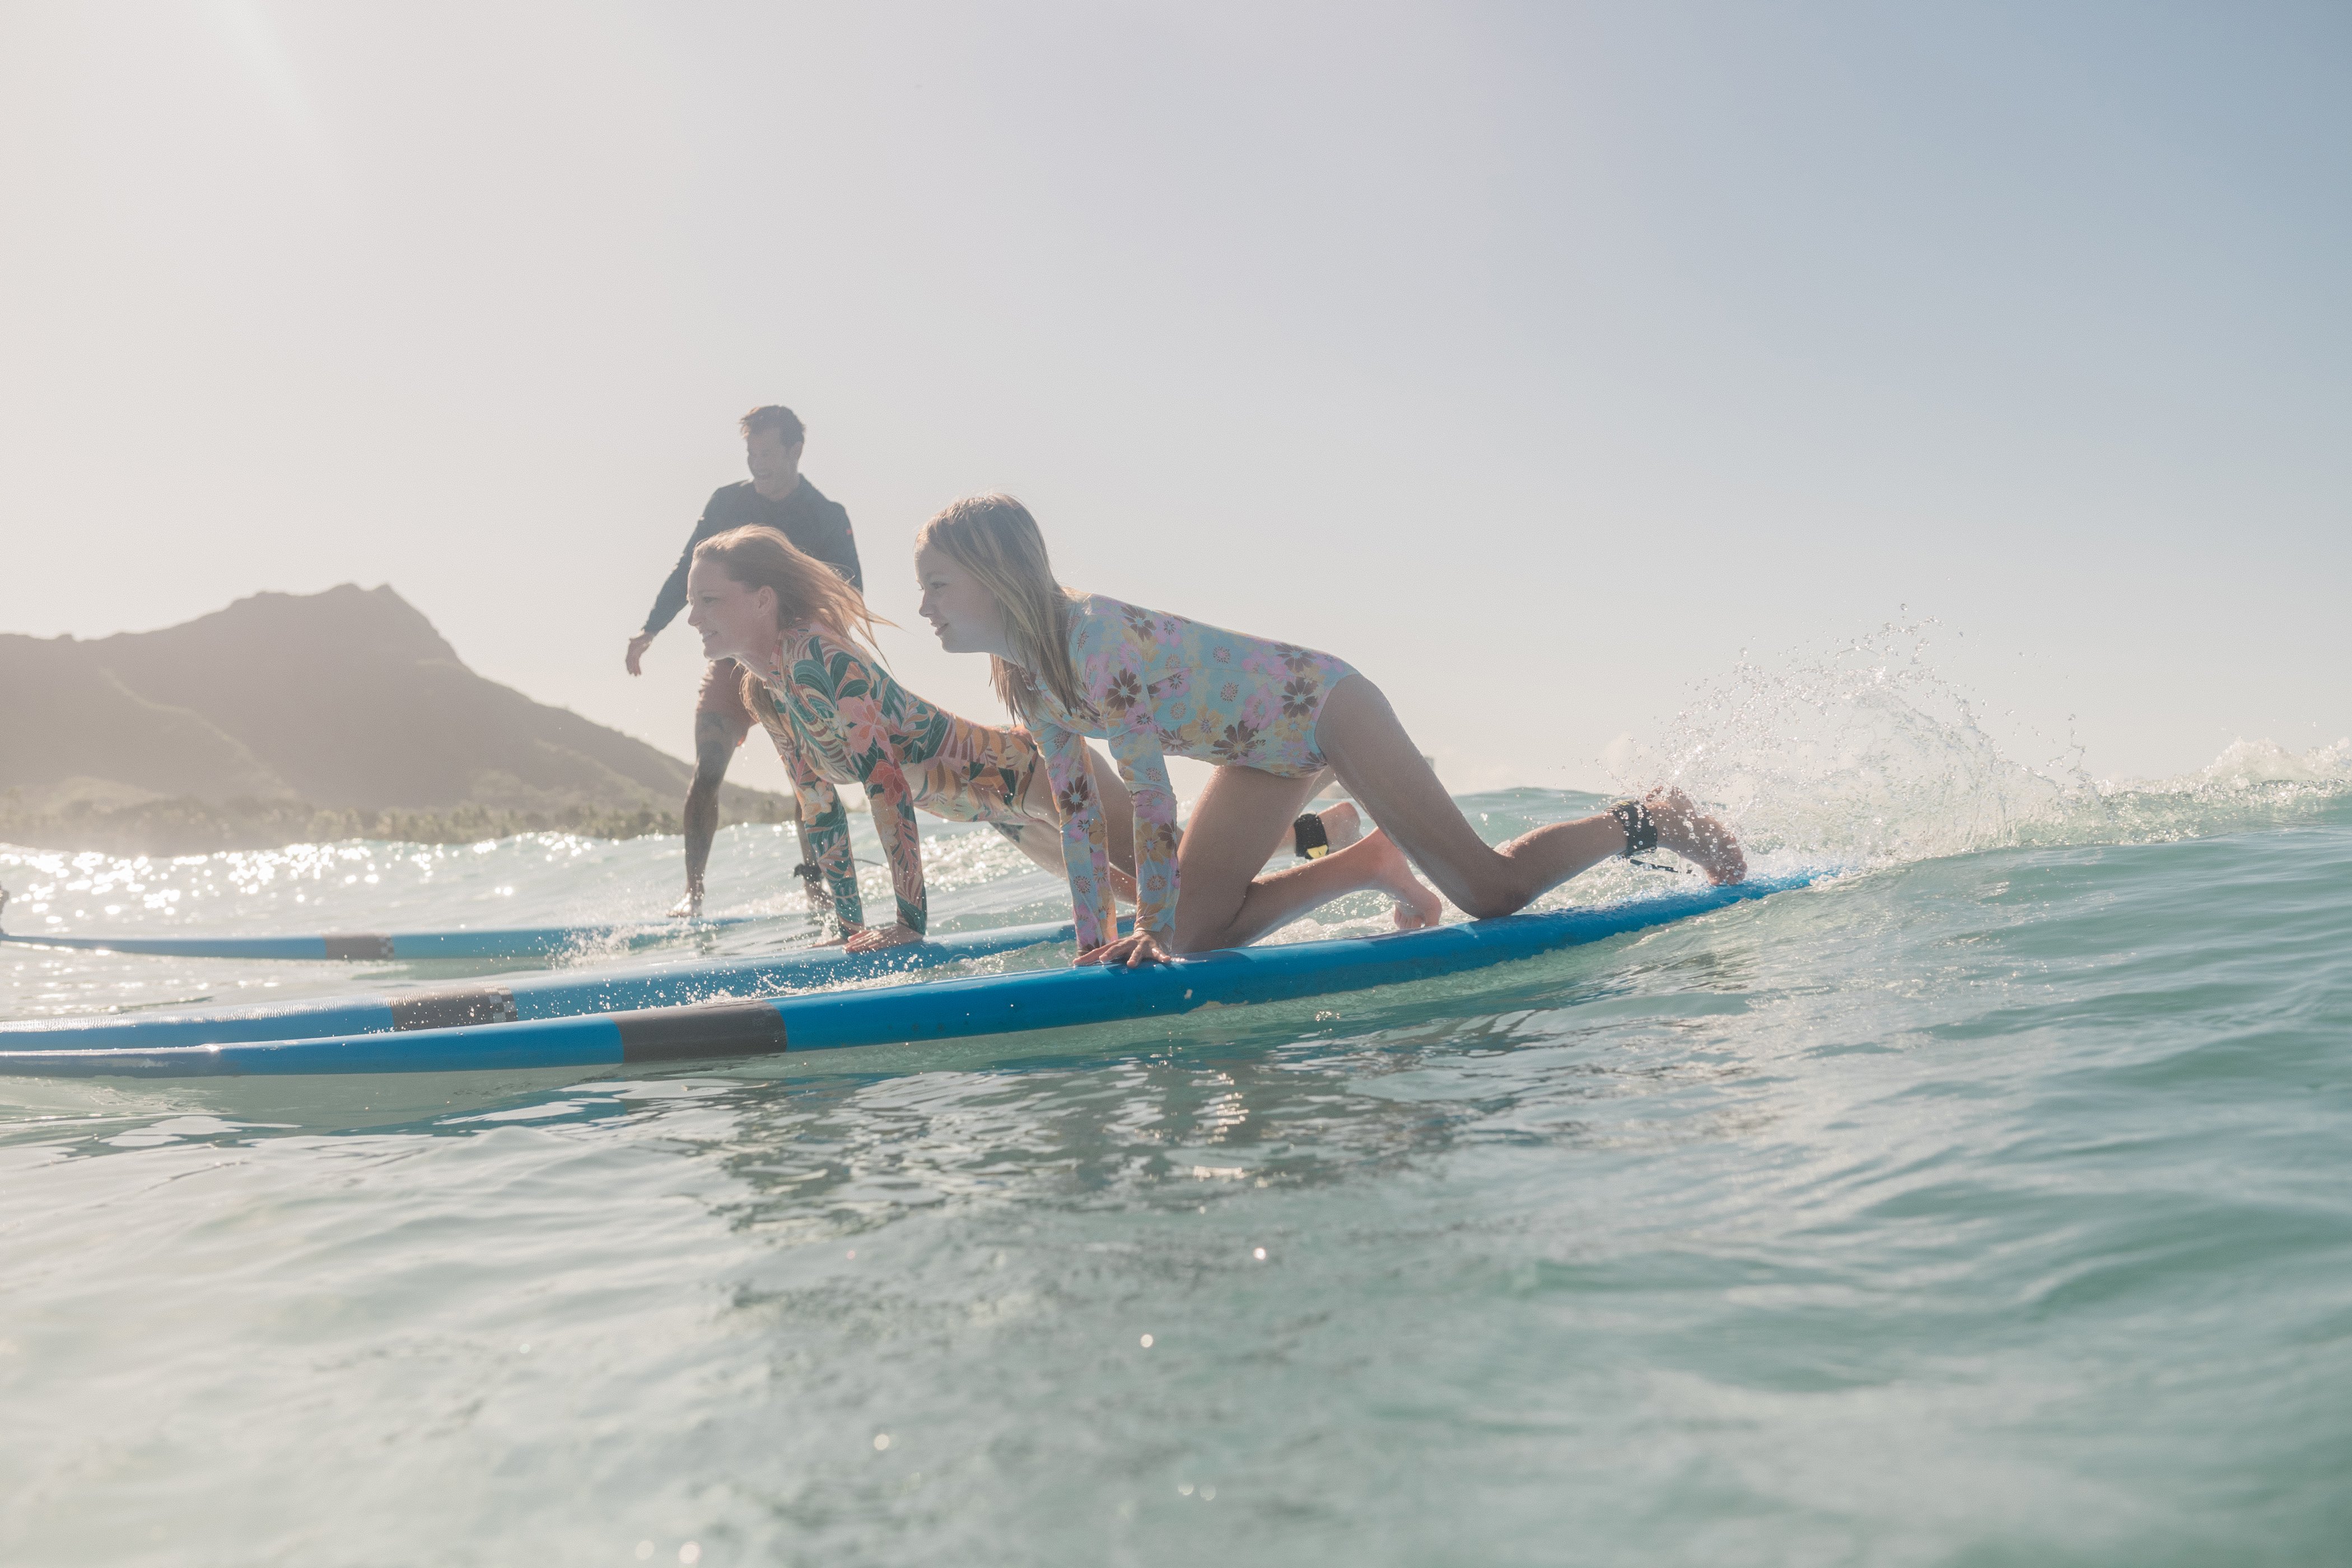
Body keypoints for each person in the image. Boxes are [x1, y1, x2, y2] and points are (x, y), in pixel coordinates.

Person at [911, 494, 1748, 968]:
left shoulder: (1091, 641)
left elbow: (1151, 802)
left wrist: (1145, 933)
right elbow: (1081, 815)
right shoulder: (1030, 682)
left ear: (994, 577)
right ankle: (1370, 864)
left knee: (1489, 895)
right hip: (1260, 754)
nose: (925, 608)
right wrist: (1098, 944)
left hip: (1325, 707)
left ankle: (1648, 818)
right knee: (1195, 937)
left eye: (939, 586)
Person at [684, 524, 1145, 951]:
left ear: (763, 599)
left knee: (1179, 873)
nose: (692, 619)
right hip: (1002, 812)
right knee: (1141, 895)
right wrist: (851, 930)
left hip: (1036, 772)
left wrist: (909, 923)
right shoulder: (767, 692)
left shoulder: (818, 656)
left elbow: (886, 783)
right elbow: (818, 806)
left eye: (709, 600)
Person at [626, 405, 864, 917]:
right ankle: (694, 892)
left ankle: (818, 890)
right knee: (708, 770)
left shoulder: (826, 517)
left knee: (810, 779)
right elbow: (687, 564)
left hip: (795, 666)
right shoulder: (727, 503)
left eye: (767, 452)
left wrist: (837, 667)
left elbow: (850, 595)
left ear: (795, 450)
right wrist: (651, 627)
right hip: (734, 662)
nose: (757, 462)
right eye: (751, 452)